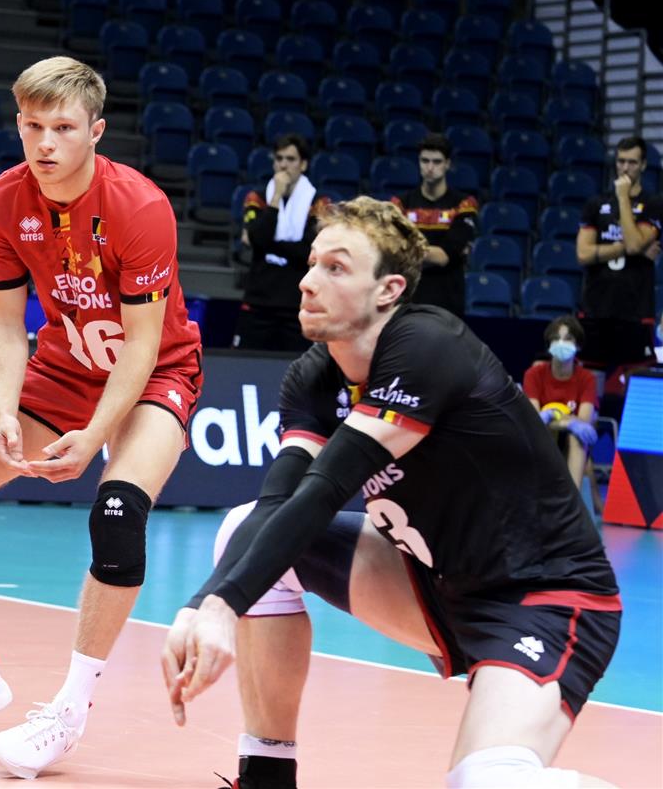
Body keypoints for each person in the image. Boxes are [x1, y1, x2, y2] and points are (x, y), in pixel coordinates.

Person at [161, 197, 620, 789]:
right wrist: (202, 604)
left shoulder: (427, 344)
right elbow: (279, 504)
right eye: (311, 263)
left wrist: (223, 607)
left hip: (542, 599)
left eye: (336, 268)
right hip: (433, 585)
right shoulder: (313, 377)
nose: (307, 282)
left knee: (483, 779)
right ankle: (266, 777)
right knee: (241, 531)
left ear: (388, 289)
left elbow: (324, 491)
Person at [0, 56, 204, 780]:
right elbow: (5, 326)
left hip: (155, 371)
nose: (45, 142)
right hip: (61, 367)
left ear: (96, 130)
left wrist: (94, 437)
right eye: (32, 126)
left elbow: (143, 346)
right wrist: (5, 407)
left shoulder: (140, 206)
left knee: (117, 514)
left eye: (63, 127)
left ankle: (69, 710)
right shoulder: (3, 199)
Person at [237, 134, 330, 353]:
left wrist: (268, 244)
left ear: (303, 164)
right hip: (258, 303)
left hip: (297, 305)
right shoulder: (257, 197)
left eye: (291, 159)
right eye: (279, 159)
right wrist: (276, 198)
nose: (283, 165)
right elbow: (259, 238)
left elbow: (308, 250)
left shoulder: (319, 202)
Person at [576, 135, 661, 373]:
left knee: (636, 381)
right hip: (596, 309)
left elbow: (634, 245)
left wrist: (623, 197)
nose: (625, 168)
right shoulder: (596, 204)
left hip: (635, 311)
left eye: (632, 162)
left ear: (643, 165)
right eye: (621, 161)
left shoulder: (654, 204)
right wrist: (632, 247)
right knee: (592, 380)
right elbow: (583, 253)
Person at [390, 132, 478, 318]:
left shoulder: (464, 205)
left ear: (447, 164)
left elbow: (443, 257)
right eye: (425, 161)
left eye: (437, 162)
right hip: (408, 302)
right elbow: (393, 250)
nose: (430, 168)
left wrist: (408, 251)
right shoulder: (400, 203)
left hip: (448, 304)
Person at [523, 315, 600, 497]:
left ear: (578, 345)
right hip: (540, 440)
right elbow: (535, 420)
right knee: (543, 430)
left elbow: (583, 422)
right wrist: (568, 421)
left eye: (568, 339)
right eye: (556, 338)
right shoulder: (533, 374)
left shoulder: (587, 378)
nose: (561, 343)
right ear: (549, 345)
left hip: (570, 445)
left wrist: (555, 416)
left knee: (577, 436)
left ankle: (572, 500)